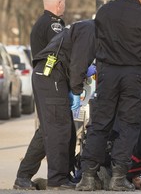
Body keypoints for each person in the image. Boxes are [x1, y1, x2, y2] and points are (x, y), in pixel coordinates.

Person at [76, 0, 141, 192]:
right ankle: (118, 177)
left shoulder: (105, 10)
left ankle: (87, 176)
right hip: (133, 74)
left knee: (100, 123)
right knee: (129, 125)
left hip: (107, 72)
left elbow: (97, 36)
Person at [30, 19, 96, 190]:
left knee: (64, 130)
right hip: (50, 75)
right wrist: (76, 90)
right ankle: (57, 180)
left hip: (53, 75)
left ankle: (61, 176)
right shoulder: (90, 30)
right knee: (59, 129)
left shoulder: (88, 28)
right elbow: (78, 63)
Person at [13, 0, 68, 190]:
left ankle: (24, 175)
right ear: (59, 3)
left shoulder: (42, 22)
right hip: (50, 80)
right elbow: (63, 51)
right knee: (54, 129)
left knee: (47, 129)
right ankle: (41, 177)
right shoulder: (53, 24)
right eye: (64, 2)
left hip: (45, 79)